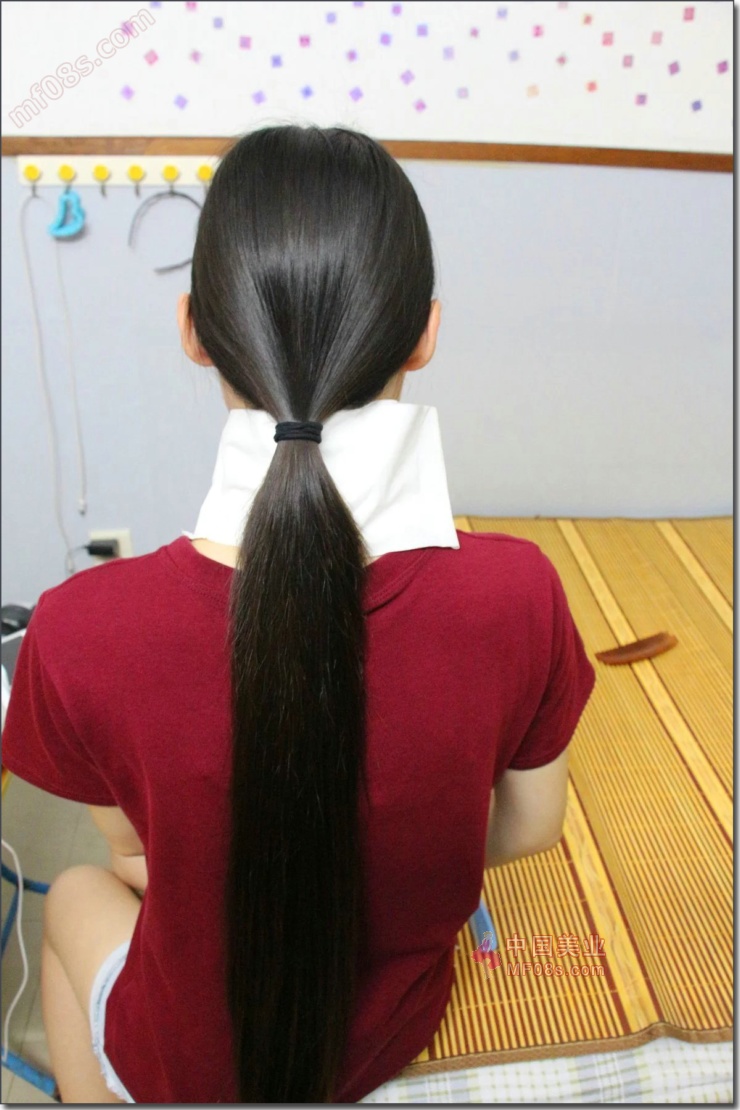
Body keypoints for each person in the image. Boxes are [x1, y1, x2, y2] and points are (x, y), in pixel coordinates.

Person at [1, 124, 596, 1103]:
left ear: (194, 331)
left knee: (72, 890)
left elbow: (137, 855)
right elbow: (532, 828)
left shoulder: (77, 632)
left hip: (182, 1060)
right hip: (383, 1040)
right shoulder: (519, 593)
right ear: (425, 334)